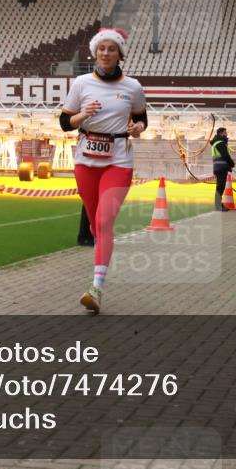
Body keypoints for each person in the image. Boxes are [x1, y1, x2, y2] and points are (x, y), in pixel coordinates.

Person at [60, 27, 146, 313]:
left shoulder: (132, 87)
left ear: (120, 54)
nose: (106, 53)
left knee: (105, 220)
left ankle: (96, 288)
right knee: (96, 224)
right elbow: (64, 122)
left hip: (118, 161)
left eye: (111, 49)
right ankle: (99, 263)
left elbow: (142, 119)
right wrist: (84, 115)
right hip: (85, 160)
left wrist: (137, 129)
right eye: (101, 49)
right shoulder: (82, 83)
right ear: (94, 52)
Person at [210, 127, 235, 211]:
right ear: (221, 133)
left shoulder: (217, 142)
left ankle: (218, 205)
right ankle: (218, 206)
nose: (227, 134)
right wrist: (231, 164)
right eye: (225, 132)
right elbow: (225, 155)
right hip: (221, 168)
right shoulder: (220, 143)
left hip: (218, 167)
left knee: (220, 187)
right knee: (220, 187)